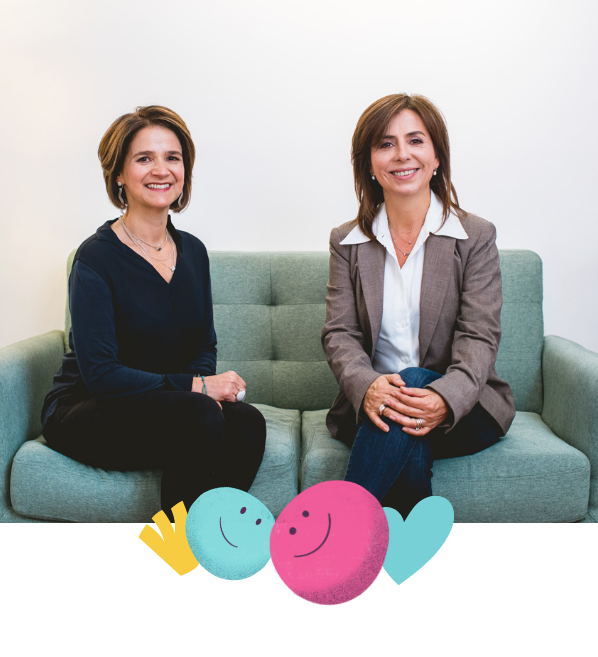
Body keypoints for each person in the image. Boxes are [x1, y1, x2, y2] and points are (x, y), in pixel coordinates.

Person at [41, 105, 266, 521]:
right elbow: (102, 375)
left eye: (172, 158)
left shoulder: (194, 251)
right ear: (120, 174)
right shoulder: (95, 258)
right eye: (144, 158)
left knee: (248, 422)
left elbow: (204, 342)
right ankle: (177, 554)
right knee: (199, 413)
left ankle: (212, 540)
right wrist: (198, 388)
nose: (161, 170)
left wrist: (199, 385)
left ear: (185, 171)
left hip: (164, 405)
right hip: (86, 408)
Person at [322, 94, 516, 520]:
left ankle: (343, 530)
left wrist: (443, 398)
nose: (402, 154)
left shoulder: (475, 236)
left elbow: (479, 337)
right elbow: (340, 333)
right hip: (376, 404)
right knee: (403, 424)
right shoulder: (346, 241)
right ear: (369, 164)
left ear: (436, 157)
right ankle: (395, 556)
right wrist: (367, 385)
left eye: (415, 140)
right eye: (385, 144)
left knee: (408, 388)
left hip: (465, 406)